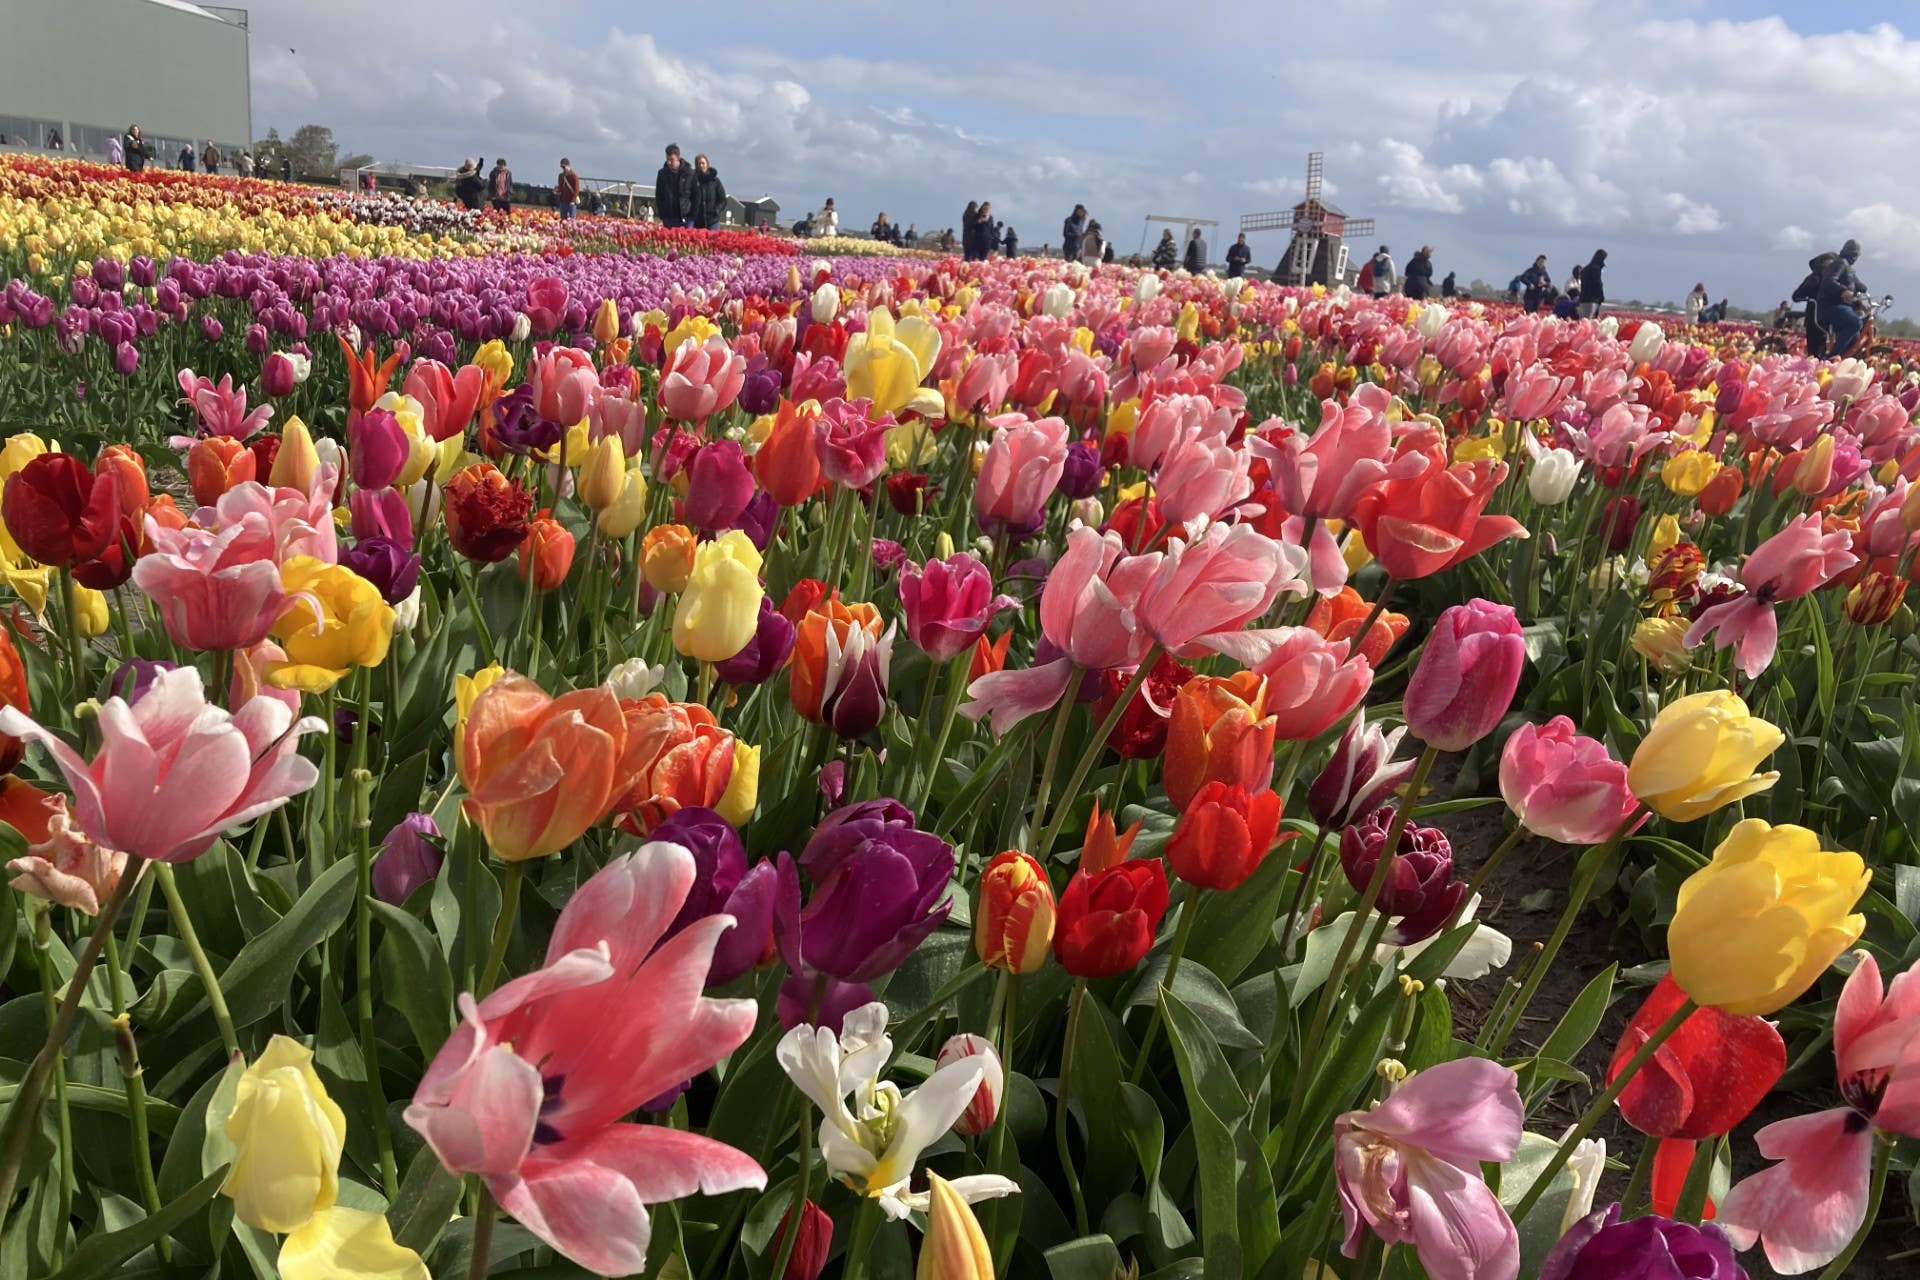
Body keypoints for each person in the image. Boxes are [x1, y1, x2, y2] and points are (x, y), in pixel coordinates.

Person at [1820, 239, 1868, 355]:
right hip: (1831, 306)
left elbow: (1858, 285)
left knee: (1855, 336)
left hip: (1843, 307)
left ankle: (1844, 357)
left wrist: (1863, 290)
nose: (1855, 258)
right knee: (1855, 323)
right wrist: (1843, 290)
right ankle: (1832, 357)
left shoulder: (1849, 268)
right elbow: (1828, 281)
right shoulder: (1840, 263)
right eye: (1855, 255)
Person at [1794, 252, 1836, 356]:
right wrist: (1810, 288)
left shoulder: (1835, 279)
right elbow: (1797, 295)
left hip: (1830, 318)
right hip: (1814, 318)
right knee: (1814, 349)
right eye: (1825, 266)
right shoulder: (1813, 278)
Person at [654, 145, 694, 227]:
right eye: (667, 159)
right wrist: (662, 213)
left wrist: (693, 215)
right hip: (668, 217)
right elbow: (659, 195)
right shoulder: (662, 174)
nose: (669, 162)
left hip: (685, 217)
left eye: (671, 160)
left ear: (678, 158)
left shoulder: (690, 173)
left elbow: (696, 195)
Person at [691, 154, 726, 230]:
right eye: (698, 163)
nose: (701, 165)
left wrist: (716, 210)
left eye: (703, 163)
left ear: (707, 164)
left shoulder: (715, 181)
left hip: (712, 220)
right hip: (697, 221)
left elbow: (722, 199)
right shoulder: (693, 180)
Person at [1578, 250, 1607, 318]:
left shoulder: (1585, 269)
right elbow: (1598, 284)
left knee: (1583, 320)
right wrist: (1601, 297)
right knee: (1590, 320)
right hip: (1592, 300)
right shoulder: (1595, 269)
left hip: (1583, 299)